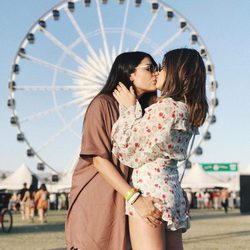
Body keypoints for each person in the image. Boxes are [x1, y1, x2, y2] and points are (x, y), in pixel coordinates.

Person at [65, 52, 164, 250]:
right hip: (100, 199)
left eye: (157, 68)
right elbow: (98, 159)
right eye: (149, 68)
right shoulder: (103, 104)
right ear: (130, 74)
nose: (156, 73)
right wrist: (135, 198)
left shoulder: (145, 112)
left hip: (128, 200)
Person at [111, 48, 208, 250]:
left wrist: (130, 110)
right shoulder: (187, 110)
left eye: (162, 67)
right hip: (172, 190)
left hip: (150, 191)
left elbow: (129, 151)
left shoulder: (167, 109)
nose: (157, 72)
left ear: (176, 72)